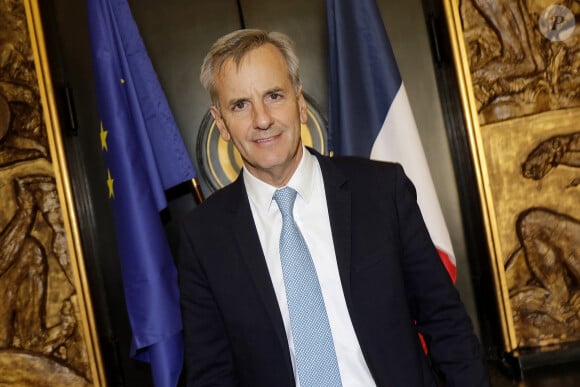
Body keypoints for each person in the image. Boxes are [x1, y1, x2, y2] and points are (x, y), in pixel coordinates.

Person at [177, 28, 488, 386]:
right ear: (221, 123)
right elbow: (210, 373)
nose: (262, 119)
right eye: (240, 105)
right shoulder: (204, 236)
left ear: (300, 102)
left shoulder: (381, 191)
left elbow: (444, 320)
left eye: (274, 96)